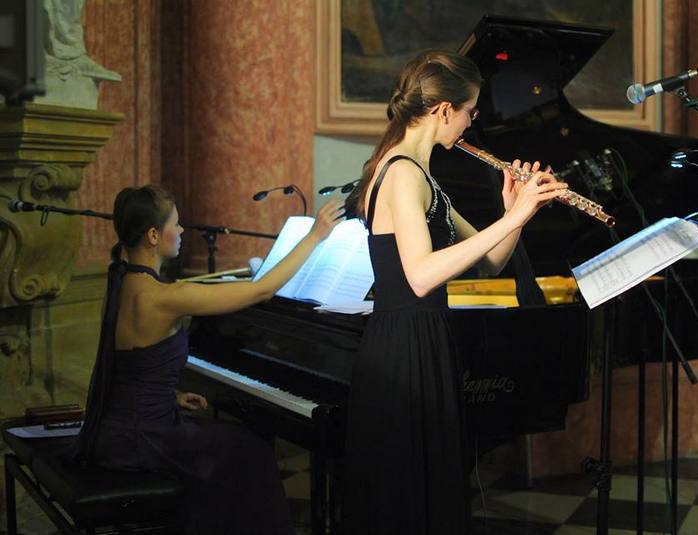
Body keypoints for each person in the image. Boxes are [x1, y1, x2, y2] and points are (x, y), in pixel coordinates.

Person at [342, 50, 567, 534]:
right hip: (404, 348)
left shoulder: (421, 174)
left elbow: (488, 262)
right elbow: (421, 276)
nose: (472, 122)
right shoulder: (402, 172)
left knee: (426, 491)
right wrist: (513, 217)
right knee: (406, 497)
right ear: (444, 110)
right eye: (470, 111)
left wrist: (512, 213)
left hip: (423, 341)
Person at [70, 184, 342, 535]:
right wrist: (316, 235)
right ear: (153, 235)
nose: (182, 231)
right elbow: (262, 289)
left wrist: (169, 397)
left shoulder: (119, 283)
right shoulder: (167, 297)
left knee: (233, 447)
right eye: (176, 224)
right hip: (144, 440)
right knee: (253, 453)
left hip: (119, 430)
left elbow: (130, 368)